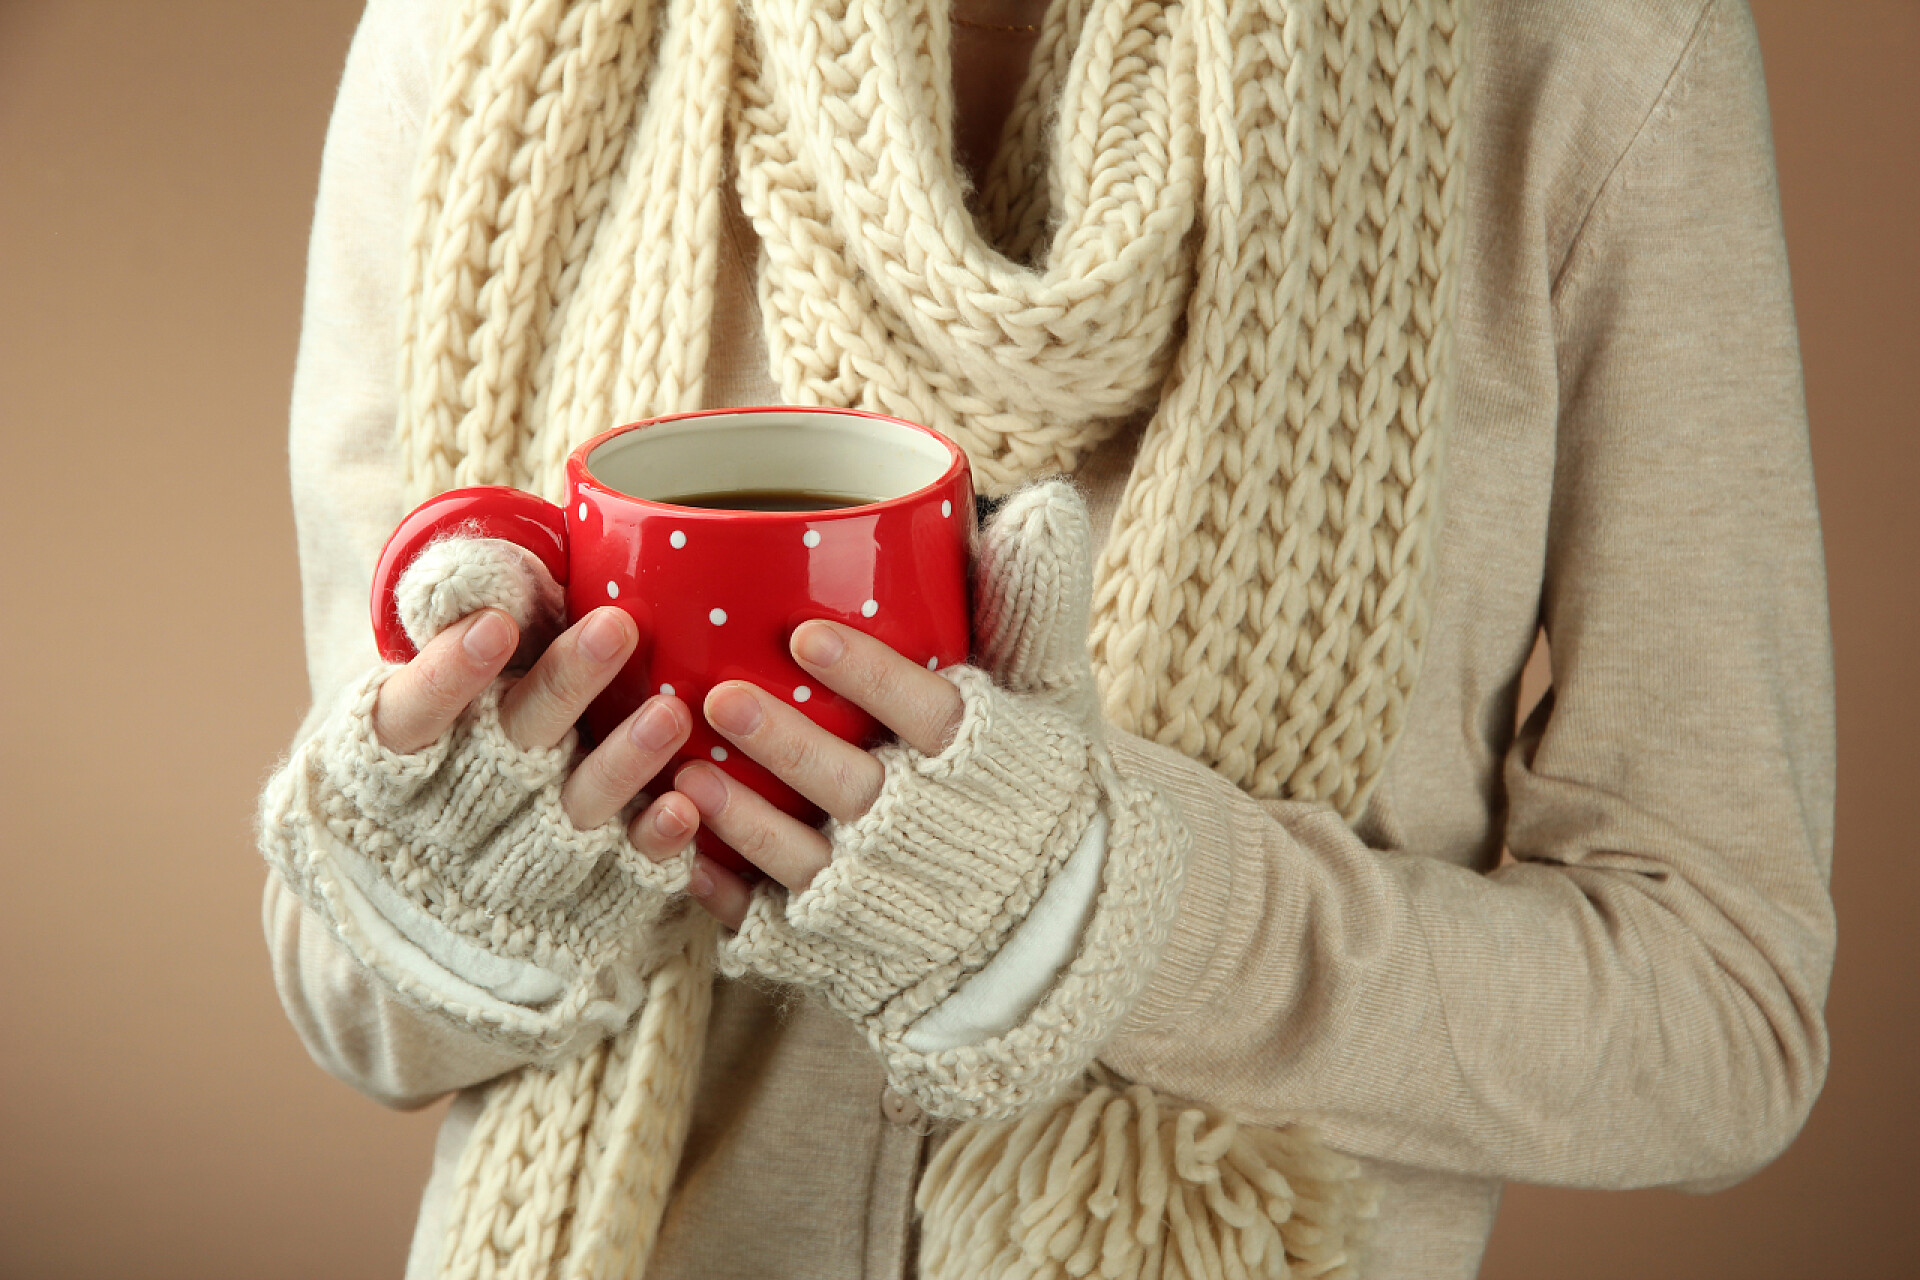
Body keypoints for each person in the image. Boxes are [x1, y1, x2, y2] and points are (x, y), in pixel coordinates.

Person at [257, 1, 1837, 1277]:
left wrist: (1127, 913)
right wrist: (472, 875)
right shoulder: (473, 46)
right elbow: (347, 991)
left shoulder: (1591, 47)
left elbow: (1723, 1017)